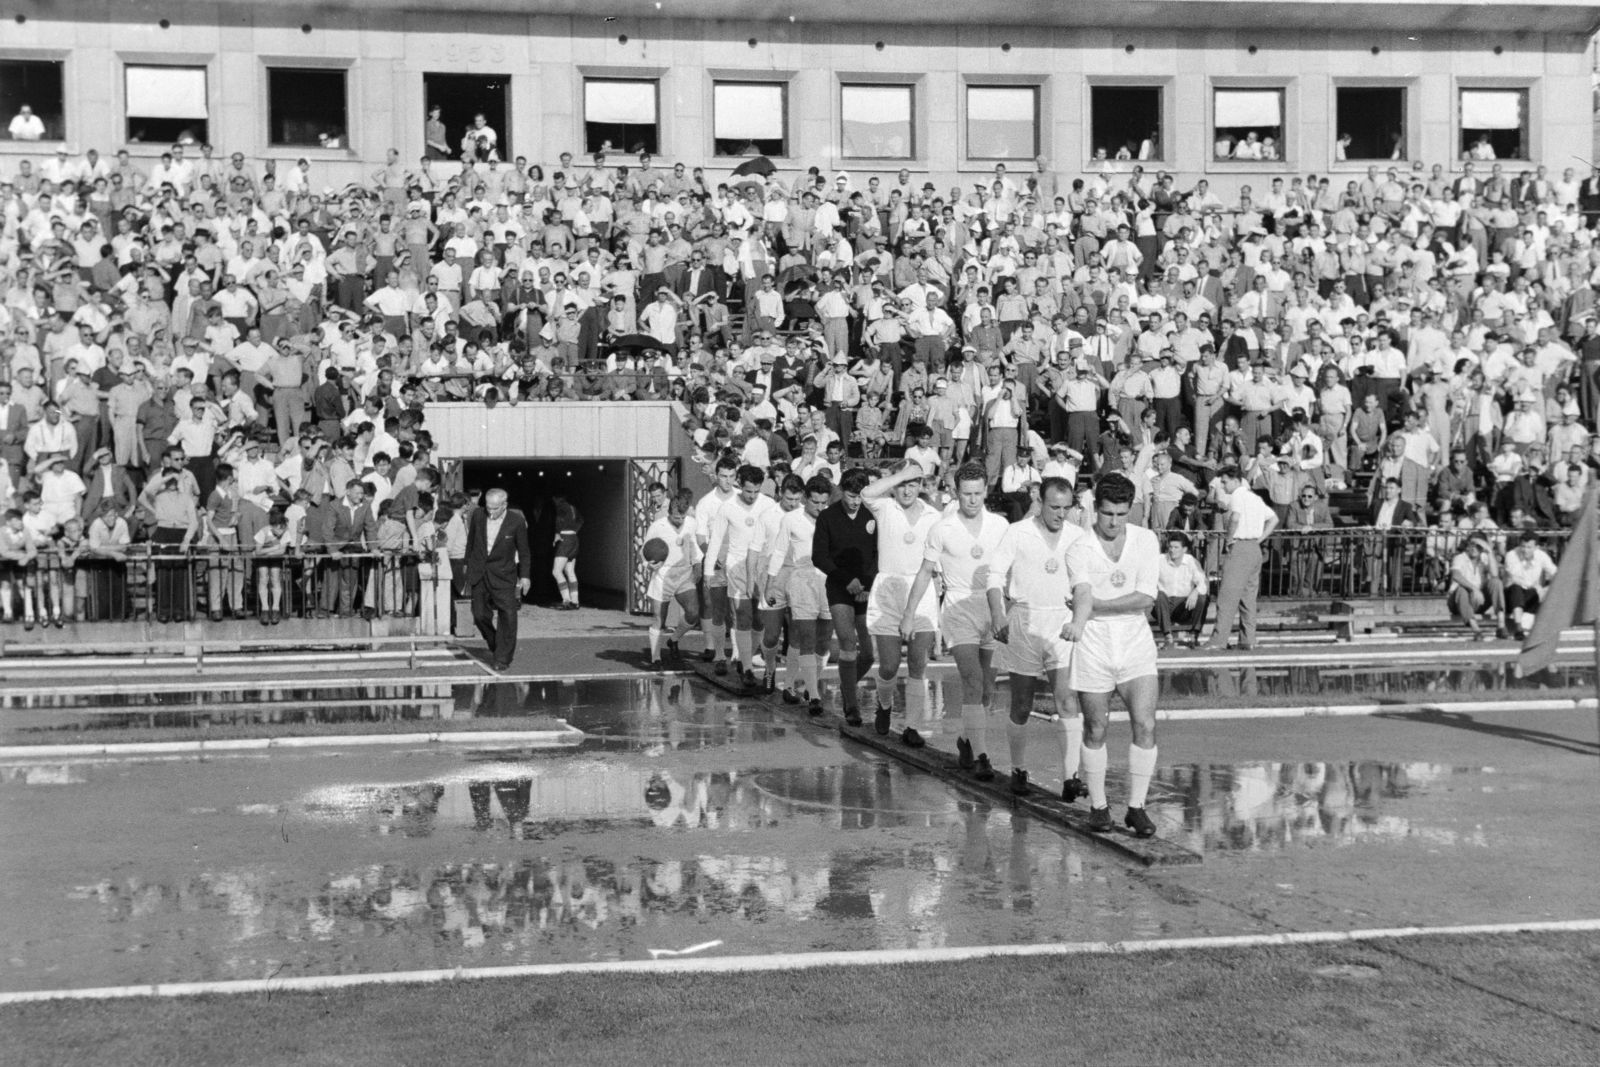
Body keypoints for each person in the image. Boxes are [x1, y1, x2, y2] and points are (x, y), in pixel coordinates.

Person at [1063, 471, 1163, 837]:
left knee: (1146, 724)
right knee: (1096, 727)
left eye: (1122, 514)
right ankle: (1099, 806)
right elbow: (1083, 592)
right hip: (1094, 645)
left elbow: (1146, 598)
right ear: (1095, 509)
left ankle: (1136, 807)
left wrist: (1093, 607)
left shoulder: (1146, 540)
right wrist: (1080, 617)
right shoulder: (1080, 548)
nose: (1115, 522)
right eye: (1108, 514)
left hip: (1135, 642)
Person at [904, 460, 1010, 779]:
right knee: (972, 680)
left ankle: (966, 738)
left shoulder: (1001, 526)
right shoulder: (942, 528)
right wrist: (909, 613)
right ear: (956, 493)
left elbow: (1013, 568)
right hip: (957, 609)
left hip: (992, 608)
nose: (972, 500)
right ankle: (982, 757)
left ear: (985, 492)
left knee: (988, 691)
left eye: (978, 493)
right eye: (966, 494)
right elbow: (924, 573)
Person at [986, 475, 1087, 800]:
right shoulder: (1017, 532)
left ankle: (1071, 776)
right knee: (1022, 703)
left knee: (1067, 700)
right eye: (1055, 507)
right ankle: (1018, 769)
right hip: (1025, 622)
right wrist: (998, 613)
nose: (1061, 514)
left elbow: (1087, 584)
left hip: (1062, 623)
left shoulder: (1078, 536)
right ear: (1040, 503)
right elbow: (994, 576)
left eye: (1066, 508)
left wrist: (1082, 614)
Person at [859, 459, 940, 745]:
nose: (907, 490)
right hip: (888, 590)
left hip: (921, 591)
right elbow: (866, 493)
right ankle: (884, 703)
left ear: (921, 485)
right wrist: (901, 474)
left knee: (918, 663)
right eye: (902, 484)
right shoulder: (885, 506)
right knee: (890, 666)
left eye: (913, 483)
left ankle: (912, 726)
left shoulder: (933, 514)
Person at [811, 466, 878, 723]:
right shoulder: (828, 517)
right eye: (851, 496)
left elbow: (877, 554)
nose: (855, 501)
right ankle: (852, 706)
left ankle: (846, 686)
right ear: (842, 492)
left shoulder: (871, 515)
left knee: (869, 655)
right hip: (839, 586)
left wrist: (867, 584)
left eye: (860, 496)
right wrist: (845, 579)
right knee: (848, 643)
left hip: (865, 588)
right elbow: (819, 556)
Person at [702, 464, 779, 686]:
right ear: (740, 486)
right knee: (742, 616)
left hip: (762, 567)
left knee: (759, 619)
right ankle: (746, 668)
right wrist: (708, 571)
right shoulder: (726, 508)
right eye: (748, 491)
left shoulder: (769, 504)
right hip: (736, 567)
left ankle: (746, 655)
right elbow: (716, 540)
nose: (752, 496)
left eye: (756, 491)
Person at [765, 475, 834, 713]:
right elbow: (778, 551)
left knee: (824, 642)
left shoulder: (834, 518)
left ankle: (801, 684)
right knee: (805, 638)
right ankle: (814, 696)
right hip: (802, 580)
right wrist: (770, 584)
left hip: (829, 581)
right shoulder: (791, 519)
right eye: (815, 502)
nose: (820, 508)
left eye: (824, 503)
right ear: (805, 498)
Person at [1205, 465, 1279, 651]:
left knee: (1227, 597)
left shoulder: (1237, 495)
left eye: (1224, 482)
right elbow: (1274, 519)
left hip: (1240, 548)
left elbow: (1235, 518)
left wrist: (1228, 540)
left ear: (1237, 481)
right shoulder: (1254, 497)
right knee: (1248, 599)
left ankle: (1218, 641)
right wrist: (1259, 539)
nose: (1222, 486)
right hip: (1254, 548)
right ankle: (1248, 640)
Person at [463, 487, 532, 672]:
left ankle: (502, 658)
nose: (490, 512)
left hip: (504, 574)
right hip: (479, 571)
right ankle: (495, 642)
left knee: (508, 616)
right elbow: (471, 541)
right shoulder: (478, 515)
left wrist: (525, 576)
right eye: (488, 507)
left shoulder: (516, 522)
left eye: (495, 508)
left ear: (504, 505)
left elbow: (524, 552)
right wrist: (466, 564)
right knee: (479, 615)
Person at [642, 491, 700, 666]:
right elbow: (643, 550)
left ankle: (674, 639)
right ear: (669, 513)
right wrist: (648, 564)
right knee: (660, 618)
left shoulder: (691, 523)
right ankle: (655, 657)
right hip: (662, 576)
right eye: (676, 517)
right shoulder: (657, 526)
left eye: (682, 517)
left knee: (693, 613)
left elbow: (695, 546)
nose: (680, 520)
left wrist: (697, 563)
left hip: (684, 574)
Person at [693, 457, 739, 667]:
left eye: (731, 476)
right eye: (723, 476)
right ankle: (718, 653)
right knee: (716, 608)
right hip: (716, 562)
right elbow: (701, 538)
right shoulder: (706, 502)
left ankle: (738, 655)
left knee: (738, 609)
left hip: (739, 561)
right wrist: (712, 557)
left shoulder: (742, 498)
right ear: (716, 476)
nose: (728, 481)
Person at [1154, 533, 1209, 648]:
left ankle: (1194, 636)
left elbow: (1202, 581)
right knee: (1158, 595)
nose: (1172, 550)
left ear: (1184, 549)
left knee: (1202, 596)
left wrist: (1195, 591)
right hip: (1164, 604)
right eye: (1170, 547)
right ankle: (1168, 638)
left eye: (1176, 547)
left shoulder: (1191, 561)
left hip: (1184, 606)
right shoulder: (1159, 560)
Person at [551, 493, 583, 609]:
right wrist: (575, 530)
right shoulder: (572, 507)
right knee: (570, 571)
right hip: (574, 538)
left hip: (565, 539)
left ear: (557, 497)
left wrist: (557, 533)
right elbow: (581, 520)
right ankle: (575, 601)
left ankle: (566, 600)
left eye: (554, 497)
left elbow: (559, 520)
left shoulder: (561, 507)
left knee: (556, 571)